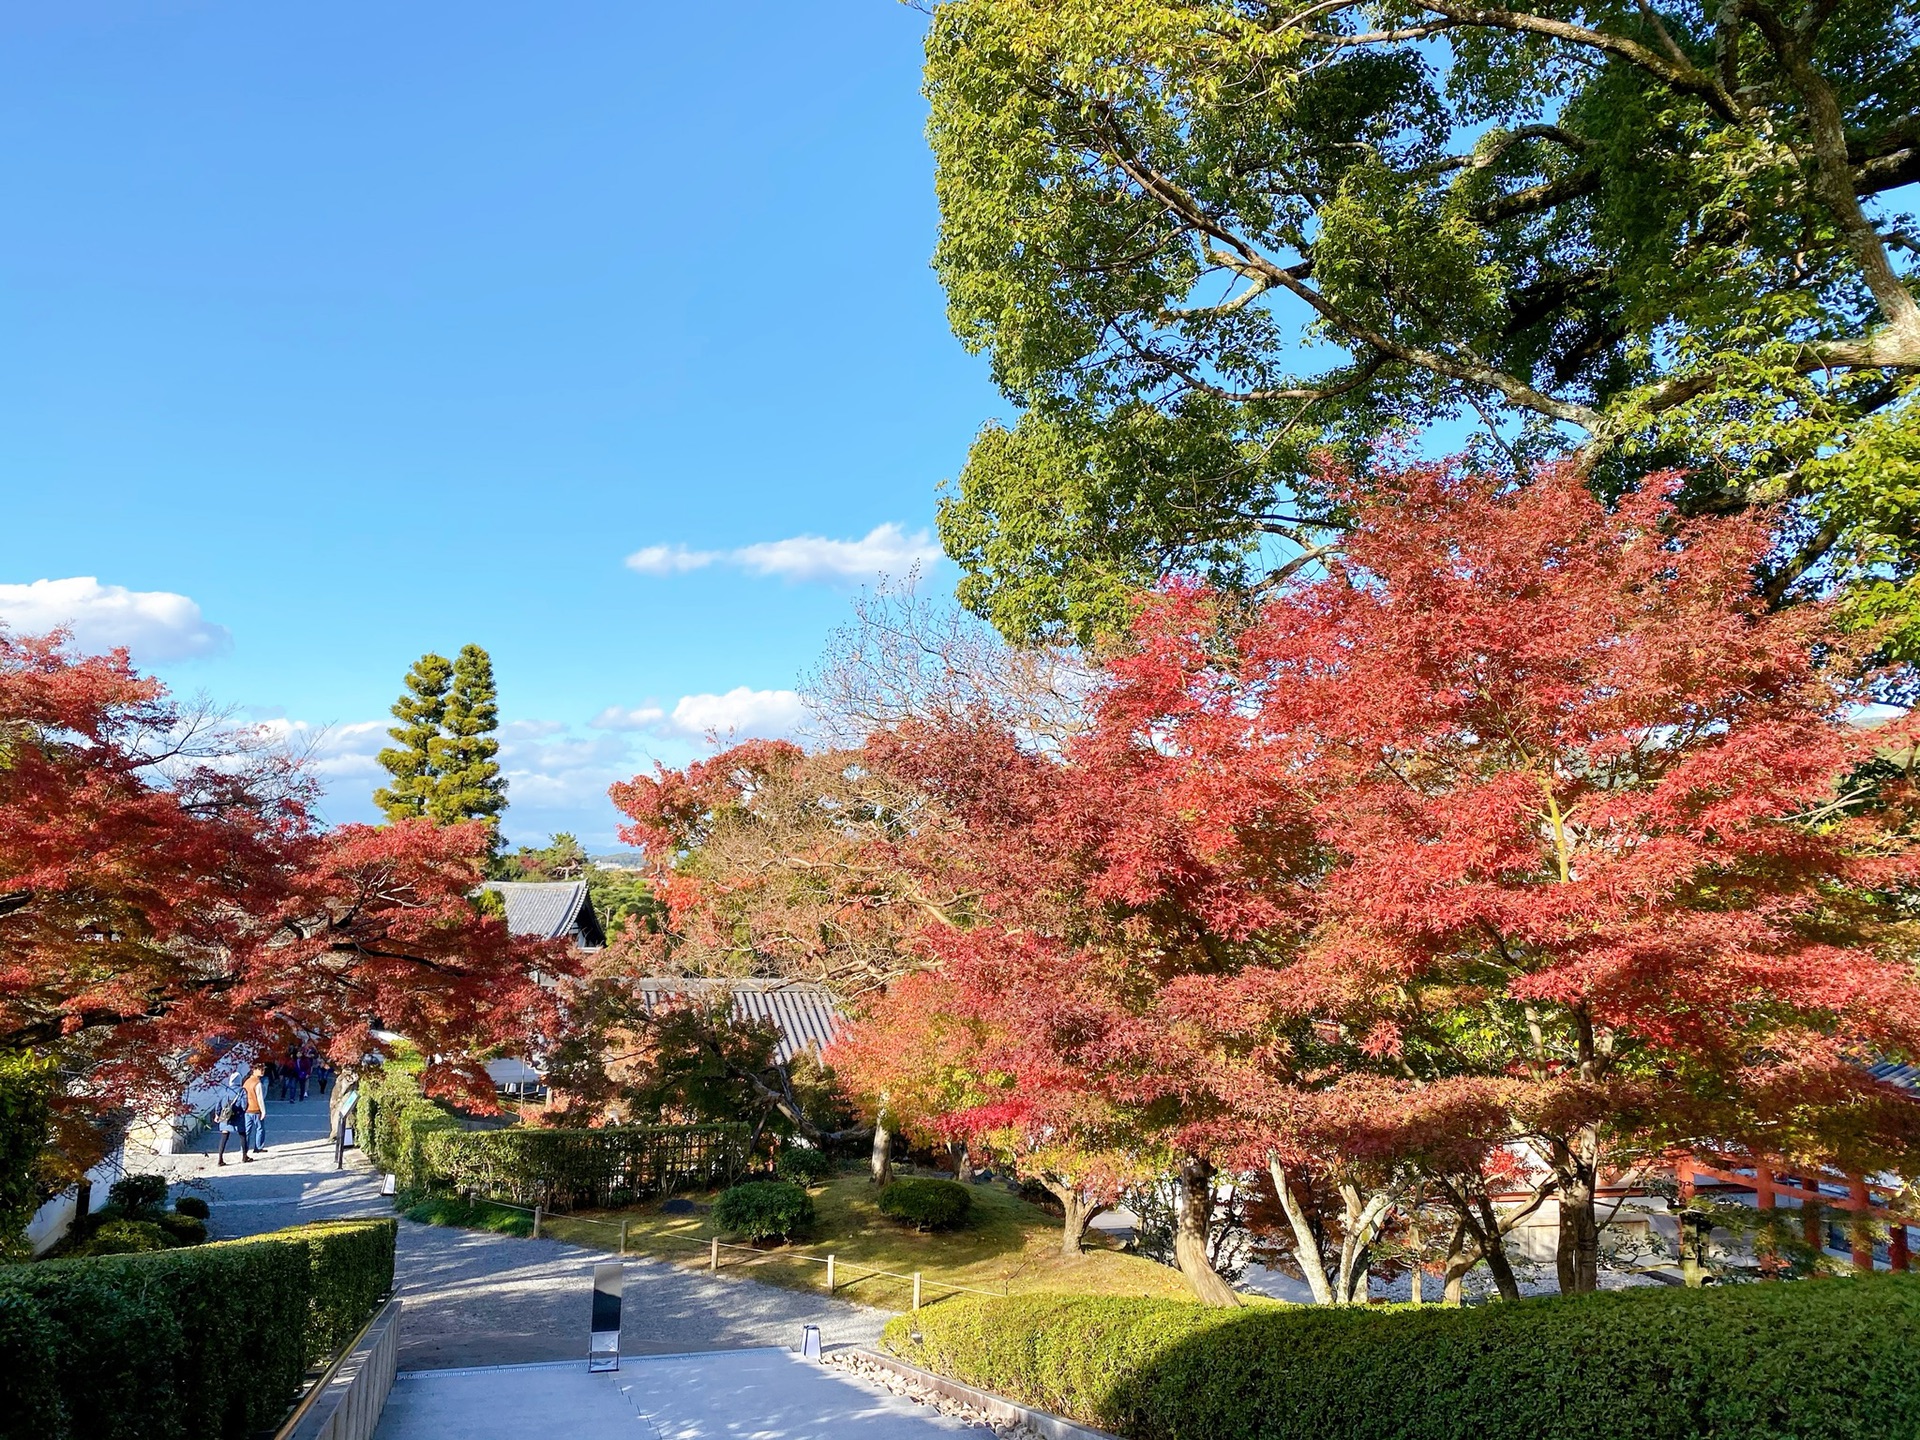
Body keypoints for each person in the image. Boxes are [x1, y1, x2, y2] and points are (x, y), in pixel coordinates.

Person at [215, 1072, 251, 1166]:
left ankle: (220, 1158)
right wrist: (243, 1111)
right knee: (242, 1135)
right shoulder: (242, 1091)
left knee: (224, 1136)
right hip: (238, 1115)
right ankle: (244, 1156)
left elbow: (218, 1103)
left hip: (226, 1115)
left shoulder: (225, 1090)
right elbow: (244, 1105)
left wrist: (217, 1114)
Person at [243, 1066, 267, 1154]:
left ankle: (244, 1148)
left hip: (247, 1109)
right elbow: (260, 1098)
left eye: (263, 1069)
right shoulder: (257, 1083)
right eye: (260, 1070)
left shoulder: (246, 1082)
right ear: (254, 1070)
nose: (262, 1071)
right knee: (260, 1128)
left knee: (247, 1130)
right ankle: (258, 1147)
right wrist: (263, 1111)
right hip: (256, 1109)